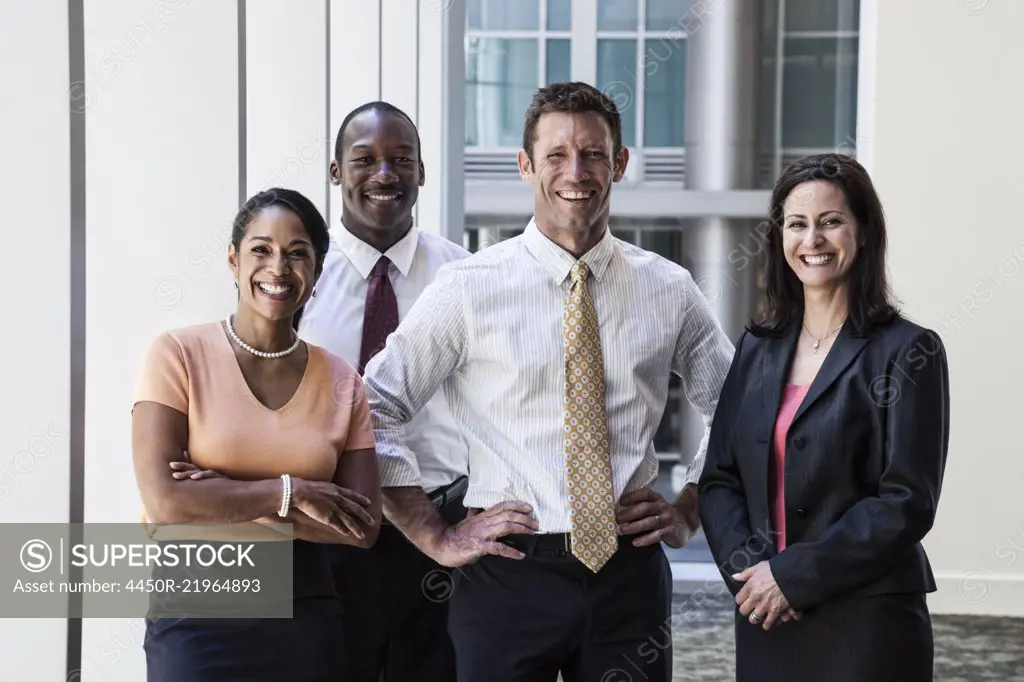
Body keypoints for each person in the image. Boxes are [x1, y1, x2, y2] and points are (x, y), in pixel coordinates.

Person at [360, 81, 735, 682]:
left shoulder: (668, 288)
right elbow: (372, 405)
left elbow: (738, 408)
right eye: (556, 155)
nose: (575, 171)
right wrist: (429, 531)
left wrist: (692, 505)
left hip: (628, 575)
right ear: (526, 166)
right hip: (506, 572)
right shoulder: (469, 287)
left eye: (592, 153)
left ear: (620, 164)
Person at [698, 153, 950, 681]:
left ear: (863, 233)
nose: (812, 239)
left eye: (831, 222)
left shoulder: (908, 351)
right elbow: (721, 478)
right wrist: (753, 580)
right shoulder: (756, 350)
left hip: (867, 624)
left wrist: (792, 577)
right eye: (797, 224)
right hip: (766, 617)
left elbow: (906, 501)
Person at [130, 187, 382, 682]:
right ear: (233, 259)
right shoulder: (176, 355)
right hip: (196, 611)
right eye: (261, 249)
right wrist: (297, 493)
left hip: (305, 611)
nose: (279, 268)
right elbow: (164, 502)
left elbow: (363, 527)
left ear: (317, 270)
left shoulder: (342, 382)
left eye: (297, 253)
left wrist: (218, 491)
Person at [297, 100, 471, 682]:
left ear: (421, 171)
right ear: (334, 172)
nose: (384, 174)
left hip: (441, 525)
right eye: (364, 160)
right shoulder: (296, 281)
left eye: (401, 159)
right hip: (332, 528)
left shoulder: (465, 276)